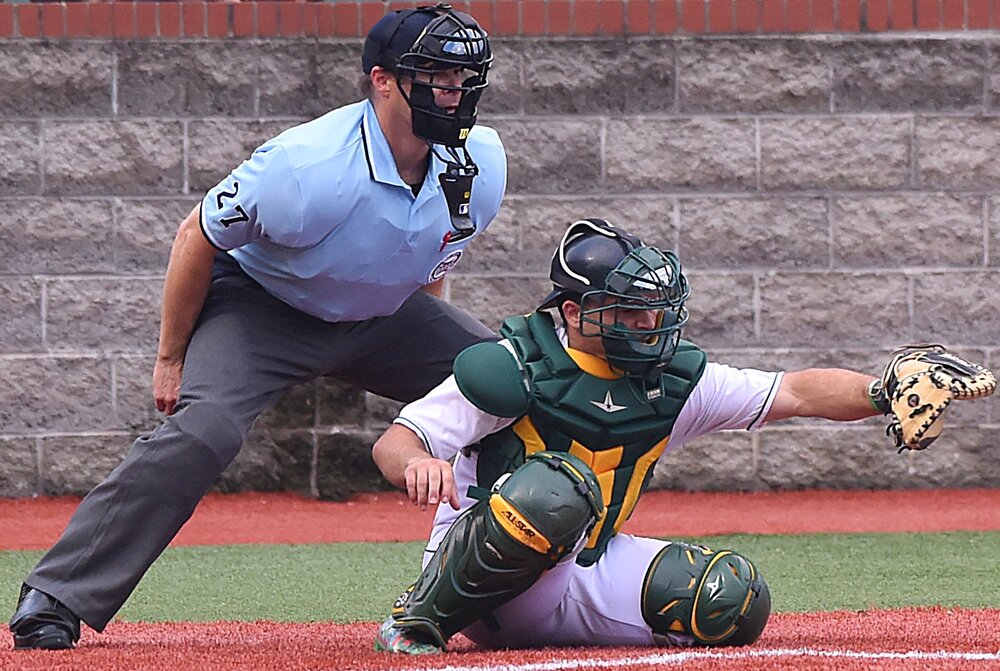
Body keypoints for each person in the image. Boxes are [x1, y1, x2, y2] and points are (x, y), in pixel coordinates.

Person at [9, 3, 505, 651]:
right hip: (264, 308)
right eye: (437, 74)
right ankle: (57, 593)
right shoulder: (305, 167)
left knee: (507, 379)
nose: (455, 91)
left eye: (465, 78)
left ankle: (512, 580)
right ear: (383, 80)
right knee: (205, 429)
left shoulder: (483, 162)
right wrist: (171, 356)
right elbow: (197, 234)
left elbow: (430, 266)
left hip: (383, 313)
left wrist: (443, 401)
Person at [369, 217, 993, 654]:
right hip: (480, 578)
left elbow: (795, 391)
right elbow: (395, 441)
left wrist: (883, 390)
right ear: (573, 312)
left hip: (586, 563)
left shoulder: (671, 381)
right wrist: (418, 463)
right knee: (558, 487)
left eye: (654, 311)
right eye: (629, 310)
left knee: (734, 602)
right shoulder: (516, 366)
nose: (648, 325)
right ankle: (418, 622)